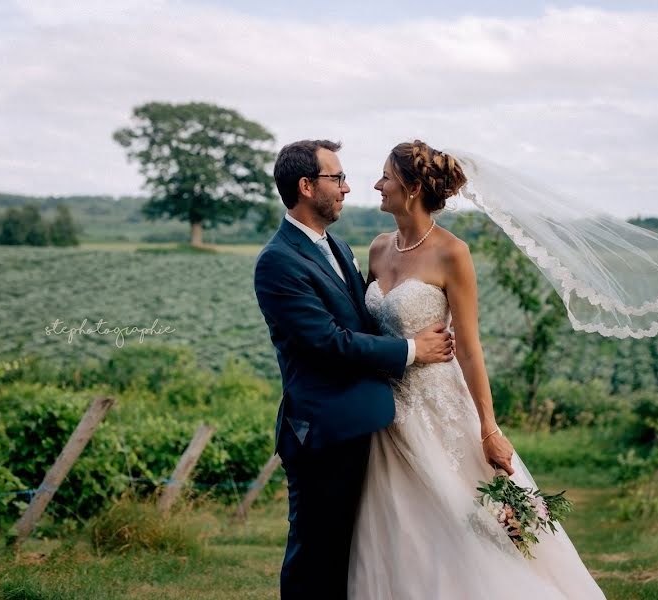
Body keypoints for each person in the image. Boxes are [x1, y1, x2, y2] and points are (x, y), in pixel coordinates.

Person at [348, 140, 607, 598]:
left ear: (409, 189)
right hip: (384, 413)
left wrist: (489, 427)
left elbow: (468, 348)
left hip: (440, 407)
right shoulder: (377, 248)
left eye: (385, 176)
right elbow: (363, 329)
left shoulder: (453, 253)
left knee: (462, 519)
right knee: (397, 525)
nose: (376, 185)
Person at [253, 139, 456, 599]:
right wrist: (411, 350)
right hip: (322, 431)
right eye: (337, 178)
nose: (347, 188)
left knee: (357, 557)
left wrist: (426, 325)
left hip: (369, 421)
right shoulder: (278, 262)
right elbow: (328, 343)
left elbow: (368, 320)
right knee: (315, 559)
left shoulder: (339, 248)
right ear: (306, 186)